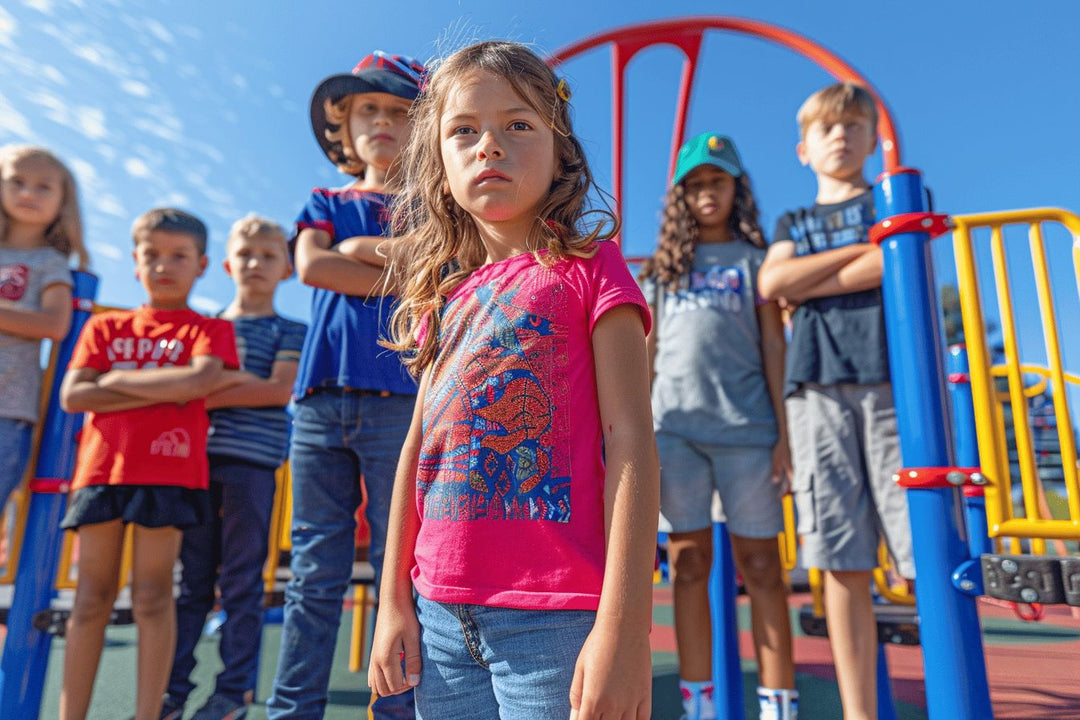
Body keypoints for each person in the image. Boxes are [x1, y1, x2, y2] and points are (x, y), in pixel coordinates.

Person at [366, 41, 659, 720]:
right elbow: (416, 455)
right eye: (463, 130)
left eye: (517, 125)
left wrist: (624, 629)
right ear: (437, 163)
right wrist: (391, 602)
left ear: (562, 154)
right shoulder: (443, 298)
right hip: (437, 613)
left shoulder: (591, 268)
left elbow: (632, 444)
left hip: (554, 616)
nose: (488, 145)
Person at [267, 51, 426, 720]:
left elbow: (434, 268)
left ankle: (398, 710)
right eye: (369, 110)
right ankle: (292, 709)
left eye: (399, 111)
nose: (383, 122)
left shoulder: (431, 207)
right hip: (320, 401)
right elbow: (311, 268)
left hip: (402, 402)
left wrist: (357, 253)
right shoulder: (325, 199)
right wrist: (391, 262)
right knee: (313, 570)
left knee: (402, 571)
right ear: (343, 126)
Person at [757, 82, 914, 720]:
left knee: (918, 548)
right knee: (841, 559)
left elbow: (899, 264)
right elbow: (774, 280)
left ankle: (956, 685)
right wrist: (867, 250)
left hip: (892, 382)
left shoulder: (893, 198)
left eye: (854, 126)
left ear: (873, 139)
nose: (841, 137)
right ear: (803, 149)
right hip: (816, 385)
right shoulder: (796, 222)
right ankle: (859, 710)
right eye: (827, 128)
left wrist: (816, 275)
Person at [640, 132, 797, 720]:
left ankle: (778, 703)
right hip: (674, 433)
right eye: (696, 184)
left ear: (737, 189)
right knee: (687, 564)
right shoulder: (661, 270)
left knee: (762, 567)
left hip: (748, 432)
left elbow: (773, 348)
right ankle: (698, 704)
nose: (708, 192)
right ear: (681, 196)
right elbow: (648, 356)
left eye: (718, 181)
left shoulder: (756, 262)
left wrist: (784, 432)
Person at [58, 208, 238, 720]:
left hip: (170, 473)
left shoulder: (207, 329)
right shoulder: (105, 326)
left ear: (201, 264)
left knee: (154, 597)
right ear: (135, 262)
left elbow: (197, 382)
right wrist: (165, 387)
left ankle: (147, 715)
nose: (164, 265)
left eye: (178, 256)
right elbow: (73, 395)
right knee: (91, 598)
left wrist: (111, 383)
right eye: (151, 255)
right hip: (101, 473)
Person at [162, 215, 307, 720]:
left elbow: (276, 389)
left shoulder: (290, 329)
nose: (255, 264)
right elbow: (186, 388)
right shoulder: (205, 328)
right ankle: (172, 689)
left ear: (286, 269)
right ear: (227, 264)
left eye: (269, 257)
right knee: (192, 581)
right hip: (196, 465)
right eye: (245, 254)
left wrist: (213, 382)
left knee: (243, 580)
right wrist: (214, 383)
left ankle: (234, 691)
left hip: (253, 468)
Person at [0, 145, 88, 523]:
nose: (28, 194)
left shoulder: (50, 263)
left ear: (63, 200)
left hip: (7, 408)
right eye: (17, 182)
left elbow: (54, 324)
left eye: (43, 187)